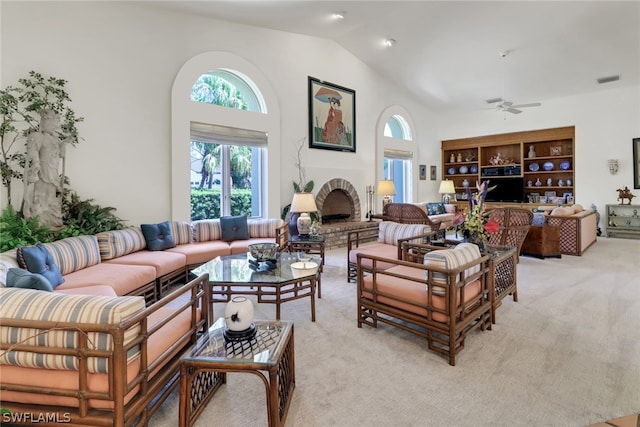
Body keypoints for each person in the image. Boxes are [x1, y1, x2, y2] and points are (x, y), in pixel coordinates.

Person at [23, 109, 65, 228]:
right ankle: (39, 219)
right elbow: (33, 151)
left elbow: (61, 155)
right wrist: (36, 163)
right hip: (43, 169)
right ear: (44, 123)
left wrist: (65, 143)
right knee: (41, 194)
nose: (53, 126)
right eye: (50, 123)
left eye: (54, 124)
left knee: (51, 195)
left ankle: (53, 218)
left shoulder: (56, 139)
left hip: (53, 169)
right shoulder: (38, 136)